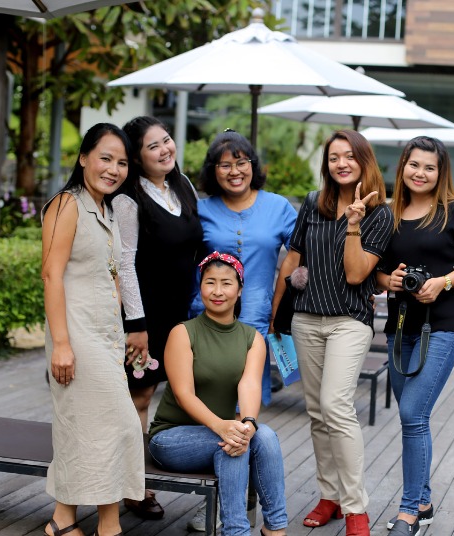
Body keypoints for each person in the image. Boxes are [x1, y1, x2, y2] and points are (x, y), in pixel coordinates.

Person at [272, 129, 394, 536]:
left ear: (364, 160)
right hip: (306, 318)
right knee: (316, 412)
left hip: (349, 321)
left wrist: (354, 224)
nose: (341, 163)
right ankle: (330, 497)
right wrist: (276, 317)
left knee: (335, 406)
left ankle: (356, 507)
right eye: (333, 157)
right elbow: (292, 260)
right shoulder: (313, 202)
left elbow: (358, 274)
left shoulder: (379, 214)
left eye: (349, 156)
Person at [375, 136, 454, 536]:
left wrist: (442, 282)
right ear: (402, 166)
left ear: (441, 173)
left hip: (442, 326)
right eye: (414, 164)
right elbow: (376, 269)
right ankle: (423, 500)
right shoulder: (389, 213)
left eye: (429, 167)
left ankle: (409, 512)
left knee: (412, 414)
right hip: (400, 327)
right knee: (412, 417)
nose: (420, 173)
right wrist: (388, 280)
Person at [41, 123, 145, 536]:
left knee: (87, 424)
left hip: (105, 334)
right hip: (75, 333)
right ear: (83, 157)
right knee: (119, 423)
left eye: (122, 162)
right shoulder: (66, 204)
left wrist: (122, 329)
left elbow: (112, 273)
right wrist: (61, 344)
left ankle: (62, 520)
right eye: (105, 158)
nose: (113, 169)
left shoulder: (108, 209)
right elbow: (51, 275)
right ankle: (109, 525)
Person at [148, 252, 288, 536]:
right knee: (230, 440)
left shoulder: (252, 338)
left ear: (240, 289)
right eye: (210, 282)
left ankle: (275, 528)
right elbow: (184, 394)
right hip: (171, 438)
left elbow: (249, 385)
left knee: (262, 435)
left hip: (221, 433)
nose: (217, 291)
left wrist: (248, 424)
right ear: (201, 287)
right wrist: (223, 426)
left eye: (226, 283)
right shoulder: (183, 332)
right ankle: (236, 531)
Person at [112, 116, 203, 519]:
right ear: (136, 157)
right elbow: (125, 264)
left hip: (178, 315)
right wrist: (136, 324)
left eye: (166, 140)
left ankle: (138, 474)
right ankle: (135, 486)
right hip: (143, 318)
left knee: (172, 393)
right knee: (140, 396)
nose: (165, 149)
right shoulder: (128, 199)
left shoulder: (181, 186)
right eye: (153, 146)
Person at [191, 129, 297, 406]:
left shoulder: (279, 207)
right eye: (225, 165)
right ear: (213, 170)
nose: (234, 171)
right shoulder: (200, 210)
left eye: (241, 163)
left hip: (256, 319)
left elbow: (306, 253)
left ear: (253, 165)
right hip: (205, 319)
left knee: (245, 405)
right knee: (205, 401)